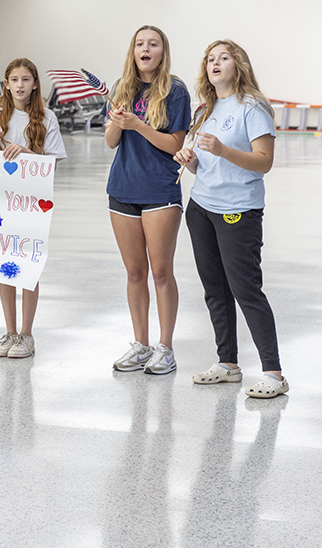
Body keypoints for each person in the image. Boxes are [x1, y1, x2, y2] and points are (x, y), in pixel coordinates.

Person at [174, 40, 288, 398]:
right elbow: (203, 165)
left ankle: (273, 373)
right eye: (210, 59)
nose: (215, 63)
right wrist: (190, 159)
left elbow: (264, 161)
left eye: (223, 57)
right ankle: (228, 363)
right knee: (215, 290)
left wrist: (223, 150)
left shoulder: (253, 107)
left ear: (238, 64)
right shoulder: (205, 109)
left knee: (245, 289)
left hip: (238, 210)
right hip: (201, 208)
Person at [106, 26, 191, 375]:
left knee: (160, 272)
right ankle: (140, 345)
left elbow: (175, 145)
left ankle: (165, 348)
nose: (146, 49)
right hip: (122, 189)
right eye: (140, 44)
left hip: (159, 191)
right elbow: (111, 141)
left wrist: (138, 124)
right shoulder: (121, 88)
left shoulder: (176, 91)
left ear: (162, 52)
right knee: (134, 272)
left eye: (152, 44)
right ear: (133, 51)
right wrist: (118, 121)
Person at [0, 58, 67, 358]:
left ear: (35, 84)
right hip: (1, 201)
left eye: (26, 79)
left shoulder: (47, 118)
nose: (20, 85)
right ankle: (10, 331)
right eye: (14, 80)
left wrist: (28, 153)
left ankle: (27, 334)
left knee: (28, 266)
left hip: (31, 202)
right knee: (5, 266)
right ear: (6, 83)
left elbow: (53, 163)